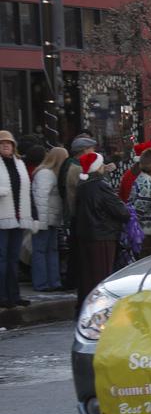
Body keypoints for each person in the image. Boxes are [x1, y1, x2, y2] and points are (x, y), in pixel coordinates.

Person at [74, 151, 130, 309]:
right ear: (97, 167)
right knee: (101, 275)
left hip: (86, 235)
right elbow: (121, 211)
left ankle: (85, 308)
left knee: (87, 276)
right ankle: (100, 309)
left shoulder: (82, 186)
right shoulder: (101, 186)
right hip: (103, 235)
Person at [0, 131, 33, 307]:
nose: (6, 146)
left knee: (13, 258)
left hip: (19, 216)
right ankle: (3, 296)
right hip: (2, 217)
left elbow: (26, 189)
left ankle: (14, 295)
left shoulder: (19, 163)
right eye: (2, 143)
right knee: (2, 258)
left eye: (9, 143)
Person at [31, 146, 68, 292]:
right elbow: (41, 199)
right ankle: (44, 283)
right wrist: (41, 222)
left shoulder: (49, 173)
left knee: (50, 250)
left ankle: (51, 282)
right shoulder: (46, 174)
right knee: (43, 250)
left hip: (50, 219)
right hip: (45, 219)